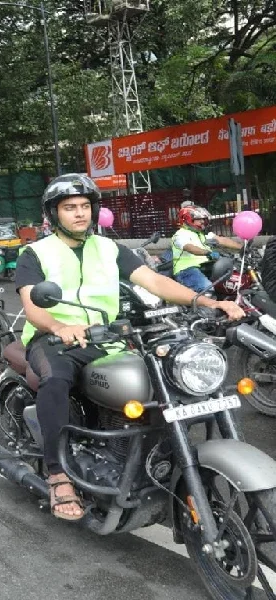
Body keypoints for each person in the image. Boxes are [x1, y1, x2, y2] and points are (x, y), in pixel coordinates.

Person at [15, 173, 245, 521]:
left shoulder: (108, 248)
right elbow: (31, 304)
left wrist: (207, 302)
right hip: (54, 339)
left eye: (84, 206)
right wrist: (60, 326)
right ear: (54, 213)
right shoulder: (35, 252)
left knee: (161, 377)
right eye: (69, 208)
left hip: (106, 337)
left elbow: (155, 281)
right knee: (56, 380)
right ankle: (58, 474)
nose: (79, 213)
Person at [171, 206, 243, 292]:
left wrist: (243, 248)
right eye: (199, 219)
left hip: (204, 267)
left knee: (233, 280)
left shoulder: (202, 234)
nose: (202, 221)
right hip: (186, 271)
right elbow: (190, 248)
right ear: (188, 219)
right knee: (207, 288)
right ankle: (207, 304)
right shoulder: (180, 235)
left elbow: (222, 240)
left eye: (203, 219)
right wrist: (207, 253)